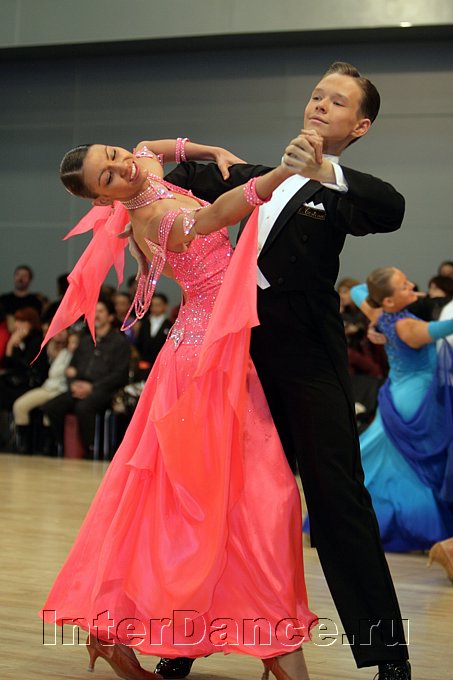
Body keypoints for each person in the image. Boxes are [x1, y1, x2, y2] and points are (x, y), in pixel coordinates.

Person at [163, 62, 411, 680]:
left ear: (360, 126)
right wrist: (191, 161)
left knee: (336, 499)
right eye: (317, 95)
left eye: (338, 102)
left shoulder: (340, 192)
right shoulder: (250, 177)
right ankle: (184, 639)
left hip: (306, 361)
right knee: (217, 499)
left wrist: (324, 171)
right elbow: (157, 175)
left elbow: (392, 208)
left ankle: (386, 652)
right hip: (235, 359)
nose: (321, 105)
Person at [39, 136, 318, 680]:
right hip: (203, 359)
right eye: (108, 176)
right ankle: (269, 640)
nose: (122, 165)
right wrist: (279, 175)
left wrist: (208, 152)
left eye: (113, 154)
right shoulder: (153, 221)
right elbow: (216, 215)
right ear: (103, 200)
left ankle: (133, 629)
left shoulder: (141, 166)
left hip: (218, 341)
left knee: (222, 497)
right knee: (240, 496)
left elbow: (150, 146)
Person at [350, 271, 453, 552]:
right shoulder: (407, 326)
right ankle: (413, 526)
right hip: (415, 400)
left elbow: (359, 290)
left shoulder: (381, 313)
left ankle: (359, 520)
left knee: (383, 461)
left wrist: (374, 316)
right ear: (389, 299)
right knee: (412, 468)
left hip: (397, 391)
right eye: (404, 286)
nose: (412, 286)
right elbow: (445, 328)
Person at [42, 298, 131, 458]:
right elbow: (71, 368)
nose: (96, 315)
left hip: (105, 390)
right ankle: (63, 446)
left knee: (84, 407)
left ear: (111, 317)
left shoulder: (119, 343)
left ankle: (89, 449)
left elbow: (120, 375)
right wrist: (73, 384)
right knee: (51, 406)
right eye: (94, 311)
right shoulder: (85, 341)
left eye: (101, 311)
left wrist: (92, 388)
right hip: (79, 386)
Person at [11, 330, 79, 453]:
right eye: (71, 342)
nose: (72, 345)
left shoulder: (78, 356)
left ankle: (48, 447)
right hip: (48, 387)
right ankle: (23, 446)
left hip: (63, 390)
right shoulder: (55, 350)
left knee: (49, 409)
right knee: (20, 405)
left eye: (75, 342)